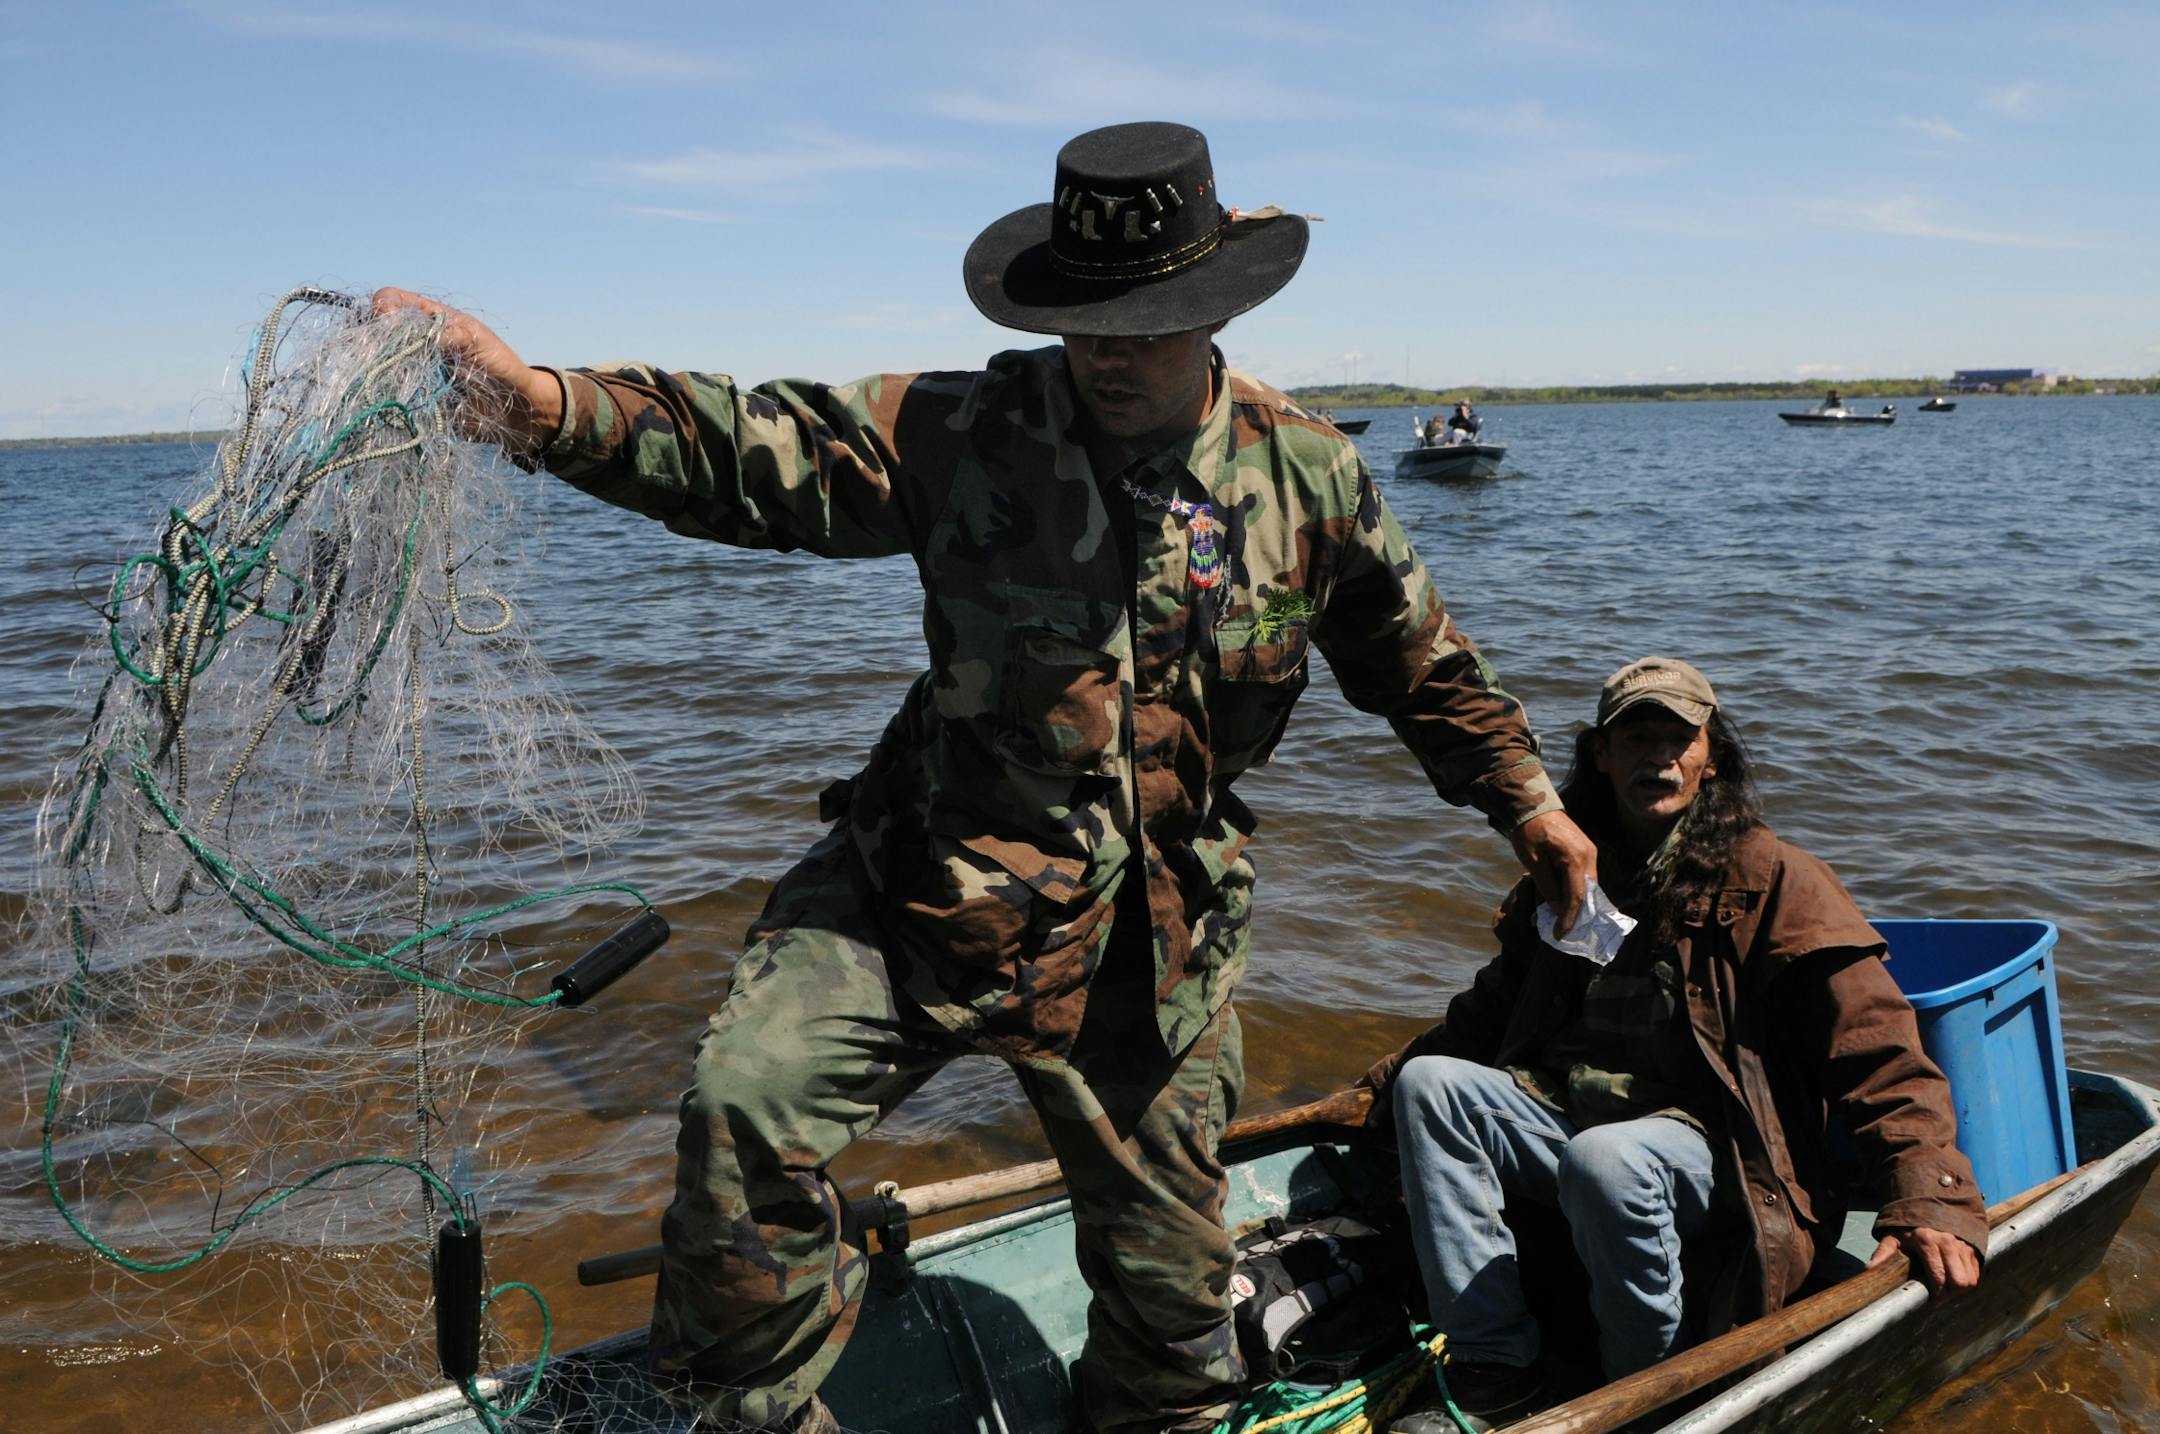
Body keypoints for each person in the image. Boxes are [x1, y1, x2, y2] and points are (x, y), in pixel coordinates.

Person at [376, 121, 1596, 1434]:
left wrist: (1528, 802)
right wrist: (543, 405)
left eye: (1144, 321)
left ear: (1212, 309)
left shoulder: (1308, 477)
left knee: (1178, 1327)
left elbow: (1419, 663)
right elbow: (750, 447)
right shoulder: (967, 427)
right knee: (739, 1131)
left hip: (1149, 943)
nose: (1110, 353)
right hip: (918, 892)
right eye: (1088, 321)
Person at [1363, 657, 1984, 1431]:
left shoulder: (1777, 880)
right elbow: (1488, 1016)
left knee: (1607, 1161)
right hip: (1575, 1119)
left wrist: (1928, 1194)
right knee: (1432, 1088)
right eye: (1636, 739)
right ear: (1601, 756)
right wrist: (1376, 1087)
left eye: (1677, 739)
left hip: (1719, 1151)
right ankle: (1495, 1362)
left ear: (1709, 758)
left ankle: (1648, 1391)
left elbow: (1879, 1049)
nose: (1658, 756)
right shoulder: (1566, 874)